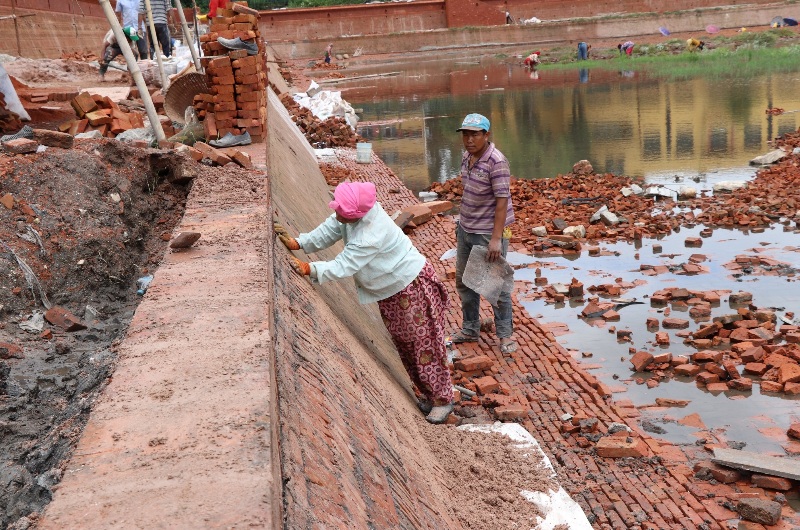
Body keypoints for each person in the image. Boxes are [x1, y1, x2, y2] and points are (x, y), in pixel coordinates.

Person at [275, 181, 455, 424]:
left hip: (412, 288)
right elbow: (331, 228)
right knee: (406, 345)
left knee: (425, 345)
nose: (336, 214)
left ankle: (443, 400)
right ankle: (428, 393)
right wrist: (301, 243)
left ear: (357, 215)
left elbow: (345, 264)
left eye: (341, 212)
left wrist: (310, 269)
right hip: (392, 292)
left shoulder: (370, 234)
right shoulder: (351, 213)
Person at [452, 113, 517, 355]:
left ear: (486, 135)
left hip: (488, 233)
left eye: (475, 134)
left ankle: (505, 336)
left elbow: (502, 202)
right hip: (467, 228)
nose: (469, 139)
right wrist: (461, 224)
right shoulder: (467, 157)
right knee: (464, 282)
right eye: (466, 134)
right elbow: (468, 192)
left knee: (495, 286)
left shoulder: (496, 162)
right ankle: (470, 328)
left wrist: (496, 240)